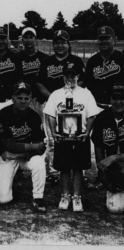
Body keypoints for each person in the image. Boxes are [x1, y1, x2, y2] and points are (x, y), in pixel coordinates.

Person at [44, 62, 98, 212]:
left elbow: (92, 115)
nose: (69, 78)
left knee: (78, 168)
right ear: (62, 77)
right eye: (67, 75)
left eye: (72, 75)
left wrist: (87, 133)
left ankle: (77, 196)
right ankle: (65, 195)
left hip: (79, 136)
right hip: (63, 136)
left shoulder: (85, 93)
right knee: (64, 168)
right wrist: (54, 132)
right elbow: (50, 114)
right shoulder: (56, 94)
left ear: (77, 76)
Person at [36, 30, 86, 183]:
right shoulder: (46, 62)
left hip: (73, 106)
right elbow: (39, 83)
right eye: (57, 42)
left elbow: (83, 81)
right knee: (52, 140)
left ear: (68, 44)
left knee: (76, 138)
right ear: (53, 44)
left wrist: (68, 95)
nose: (60, 45)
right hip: (51, 105)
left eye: (63, 42)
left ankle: (79, 172)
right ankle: (54, 173)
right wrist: (54, 98)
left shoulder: (76, 61)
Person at [0, 82, 46, 213]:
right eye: (19, 98)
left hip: (20, 156)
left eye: (26, 98)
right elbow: (7, 145)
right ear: (12, 98)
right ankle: (8, 178)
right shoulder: (2, 115)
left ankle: (38, 198)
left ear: (30, 99)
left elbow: (41, 148)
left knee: (39, 162)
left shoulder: (34, 117)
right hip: (4, 156)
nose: (23, 101)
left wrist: (19, 155)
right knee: (3, 199)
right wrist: (31, 146)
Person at [85, 26, 124, 189]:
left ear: (114, 39)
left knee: (120, 140)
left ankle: (118, 173)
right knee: (100, 143)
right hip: (99, 107)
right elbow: (87, 84)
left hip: (120, 105)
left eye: (107, 38)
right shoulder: (93, 61)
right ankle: (101, 177)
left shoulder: (121, 58)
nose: (103, 41)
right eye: (101, 39)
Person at [91, 82, 124, 214]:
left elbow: (111, 159)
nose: (118, 102)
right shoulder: (102, 117)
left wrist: (114, 158)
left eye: (122, 98)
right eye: (115, 98)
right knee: (115, 209)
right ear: (110, 99)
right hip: (114, 170)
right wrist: (102, 174)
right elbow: (98, 146)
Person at [18, 27, 49, 117]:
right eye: (26, 37)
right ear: (22, 40)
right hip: (24, 98)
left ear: (35, 39)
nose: (29, 40)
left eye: (31, 37)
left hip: (41, 99)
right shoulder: (17, 57)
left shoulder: (44, 58)